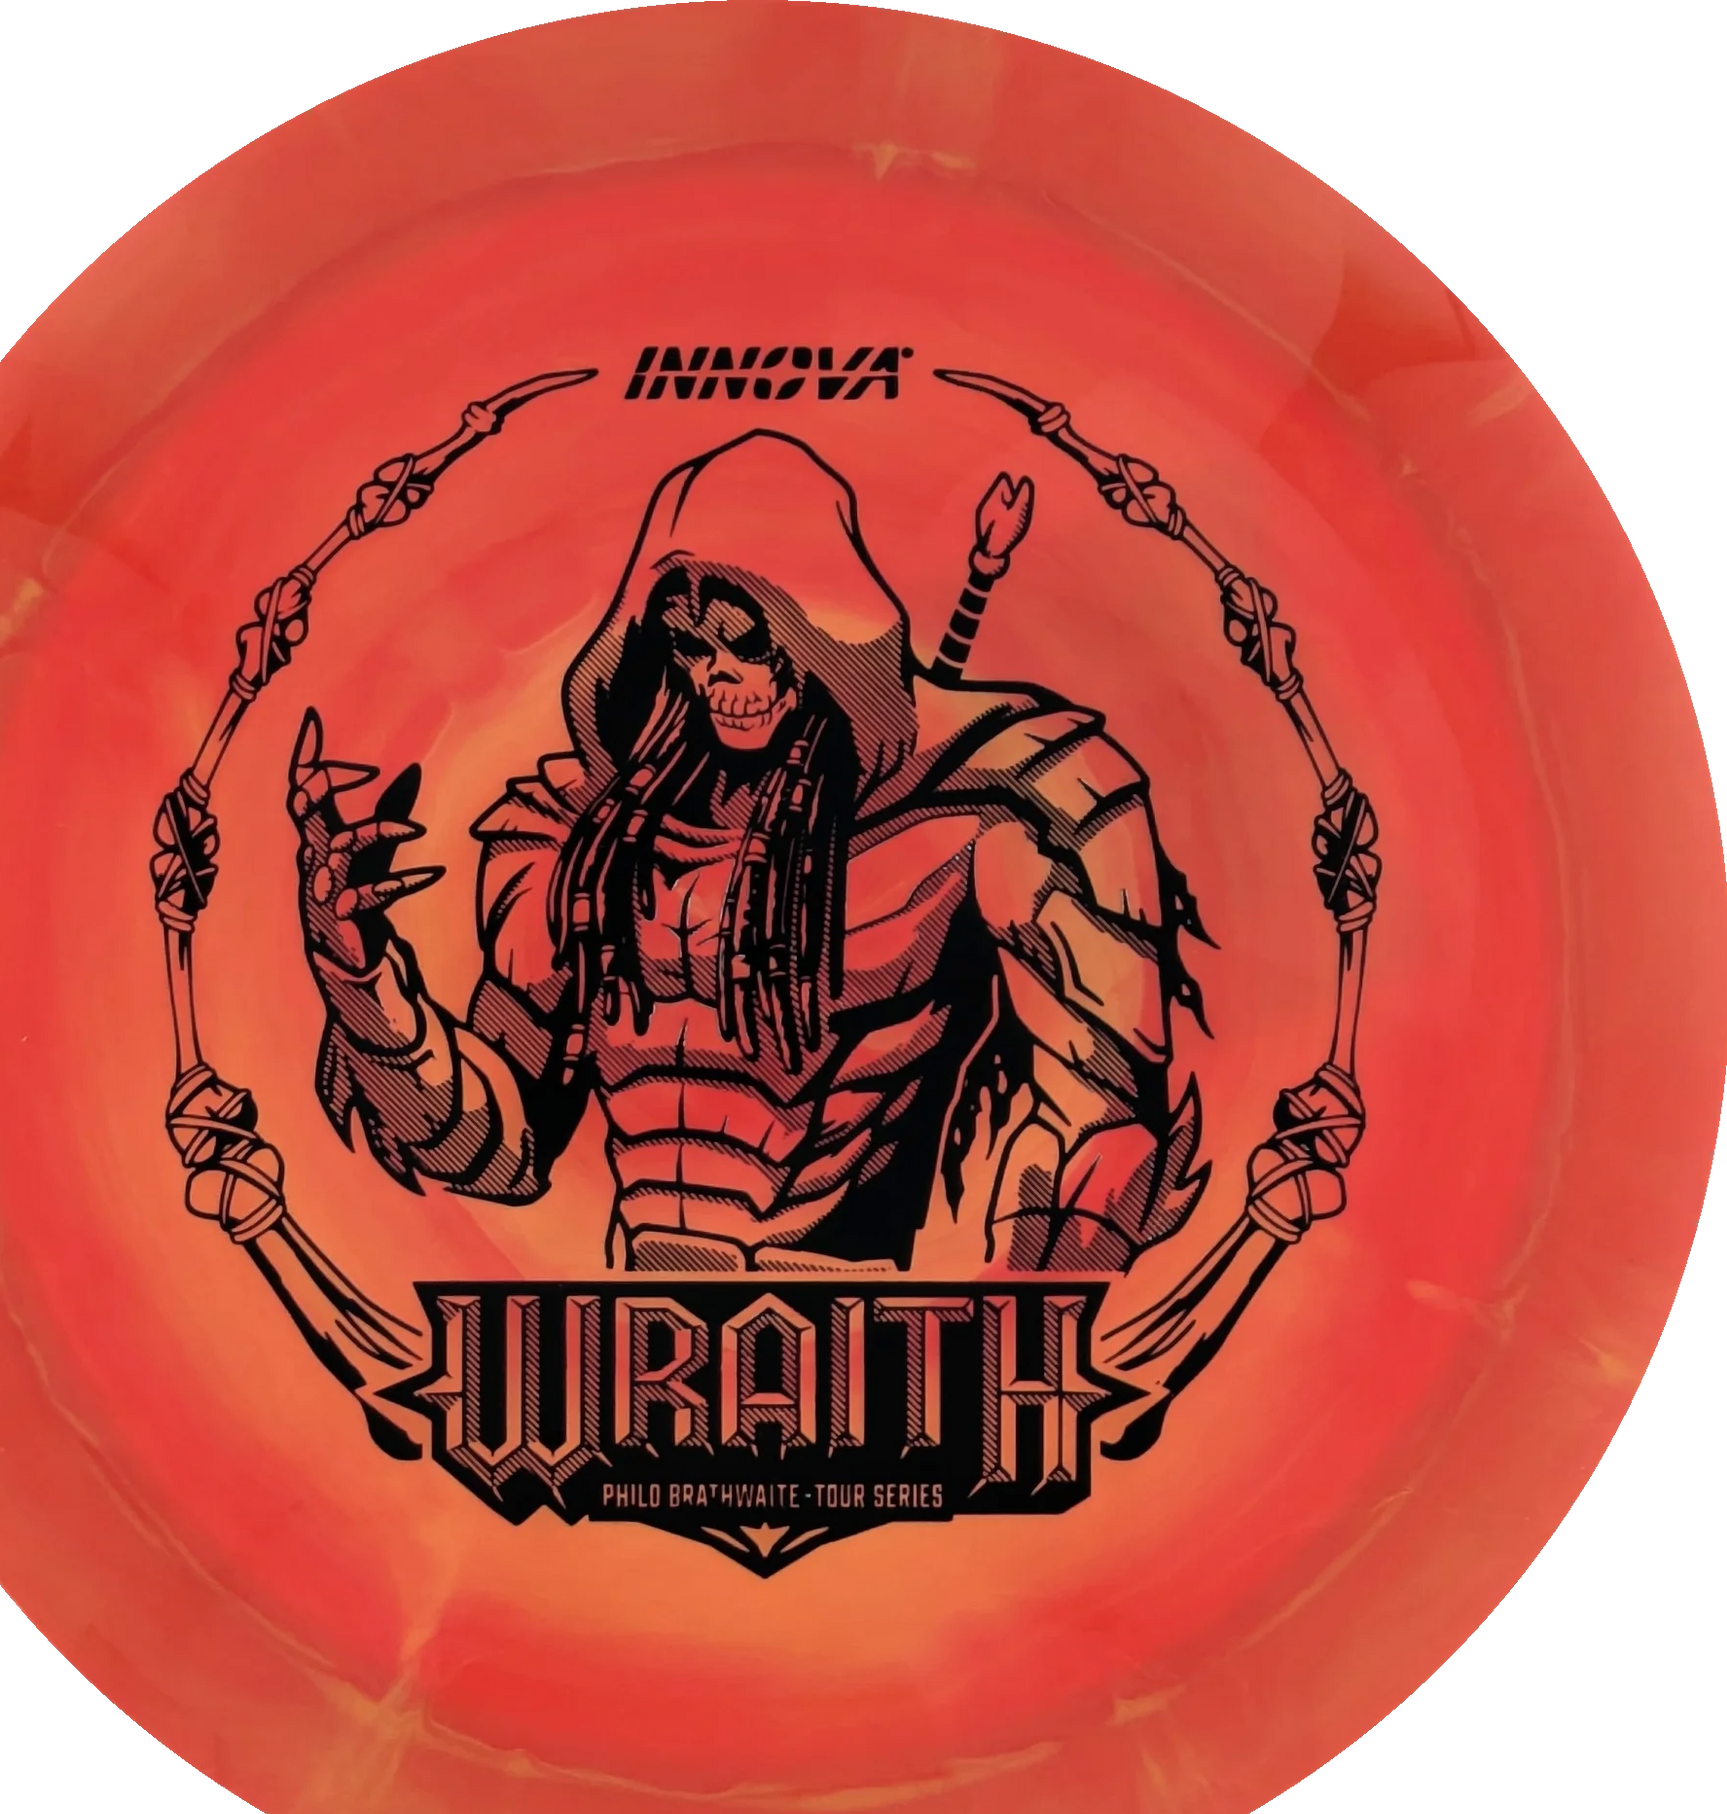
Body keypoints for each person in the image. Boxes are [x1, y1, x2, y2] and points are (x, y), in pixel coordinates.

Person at [289, 430, 1207, 1275]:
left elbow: (1097, 1130)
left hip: (856, 1326)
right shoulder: (583, 848)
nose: (717, 674)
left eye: (745, 641)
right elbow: (501, 1150)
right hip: (629, 1332)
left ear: (818, 638)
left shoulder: (972, 822)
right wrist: (363, 985)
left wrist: (1025, 1299)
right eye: (690, 645)